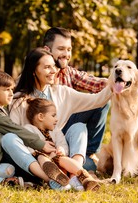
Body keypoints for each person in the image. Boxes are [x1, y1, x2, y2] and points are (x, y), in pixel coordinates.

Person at [1, 47, 112, 184]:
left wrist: (114, 84)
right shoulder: (18, 101)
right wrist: (40, 146)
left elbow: (97, 101)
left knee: (79, 128)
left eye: (53, 66)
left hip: (59, 152)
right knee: (9, 139)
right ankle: (56, 176)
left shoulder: (63, 92)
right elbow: (16, 133)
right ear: (33, 71)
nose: (53, 70)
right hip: (34, 156)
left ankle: (75, 173)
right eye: (47, 67)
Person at [43, 27, 110, 171]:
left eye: (69, 49)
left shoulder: (68, 72)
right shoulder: (35, 74)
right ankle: (77, 164)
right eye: (61, 49)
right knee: (88, 167)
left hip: (67, 126)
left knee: (102, 102)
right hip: (47, 132)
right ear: (47, 50)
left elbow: (94, 82)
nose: (66, 54)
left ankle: (88, 153)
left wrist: (114, 83)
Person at [24, 97, 101, 191]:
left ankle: (83, 177)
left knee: (62, 159)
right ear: (41, 117)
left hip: (57, 158)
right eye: (53, 116)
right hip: (41, 160)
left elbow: (62, 143)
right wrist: (41, 149)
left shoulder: (55, 131)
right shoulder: (28, 129)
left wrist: (61, 149)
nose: (56, 119)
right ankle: (63, 180)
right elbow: (27, 146)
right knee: (42, 158)